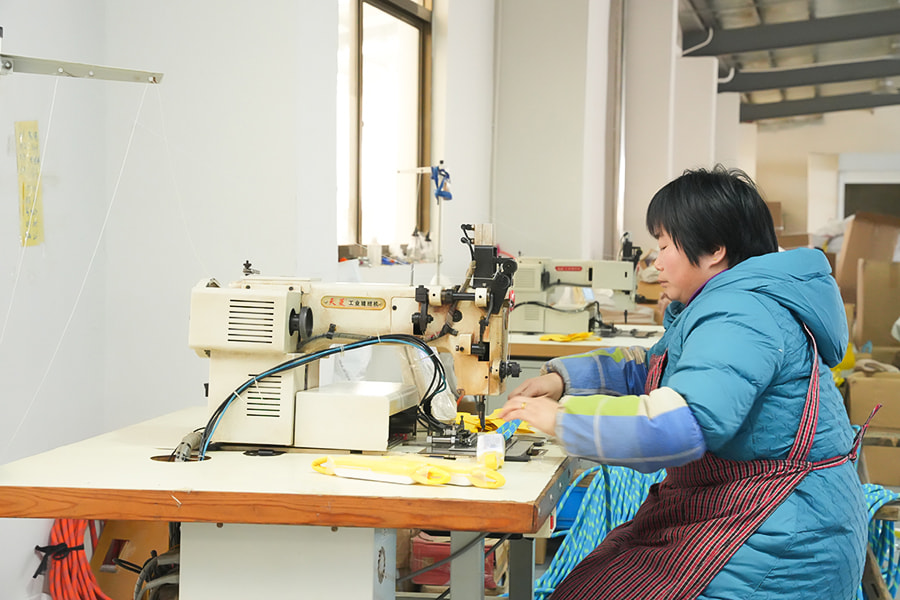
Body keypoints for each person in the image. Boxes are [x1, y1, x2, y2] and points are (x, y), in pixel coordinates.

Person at [499, 166, 869, 599]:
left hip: (781, 540)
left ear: (714, 250)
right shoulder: (727, 304)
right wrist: (564, 381)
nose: (656, 262)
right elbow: (656, 371)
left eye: (664, 246)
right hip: (752, 512)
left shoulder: (743, 315)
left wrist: (562, 419)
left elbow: (677, 426)